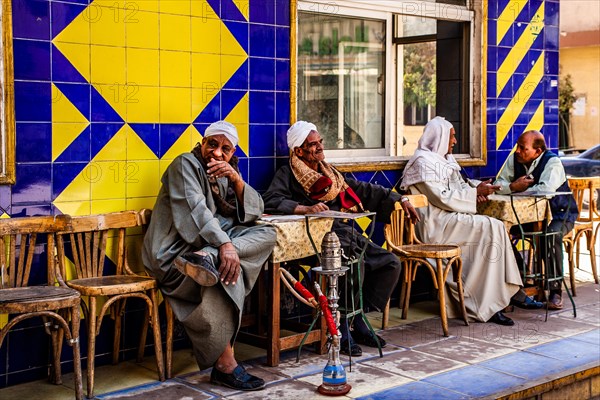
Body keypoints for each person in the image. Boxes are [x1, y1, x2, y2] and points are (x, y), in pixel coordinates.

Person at [262, 121, 419, 357]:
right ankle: (342, 327)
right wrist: (304, 209)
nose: (319, 147)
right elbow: (270, 200)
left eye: (320, 142)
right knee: (355, 264)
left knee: (389, 263)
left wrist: (402, 199)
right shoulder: (287, 174)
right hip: (315, 239)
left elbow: (363, 190)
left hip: (345, 234)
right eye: (312, 144)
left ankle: (359, 318)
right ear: (299, 151)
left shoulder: (330, 173)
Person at [142, 121, 277, 391]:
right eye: (212, 144)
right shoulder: (185, 165)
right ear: (202, 143)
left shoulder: (227, 172)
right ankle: (226, 365)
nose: (216, 153)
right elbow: (196, 213)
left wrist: (236, 180)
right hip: (172, 255)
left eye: (225, 149)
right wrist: (225, 246)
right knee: (221, 272)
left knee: (268, 234)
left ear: (233, 152)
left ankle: (209, 255)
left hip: (202, 249)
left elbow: (256, 211)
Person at [401, 116, 524, 326]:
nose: (455, 142)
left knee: (495, 226)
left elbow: (459, 187)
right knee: (490, 226)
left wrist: (478, 191)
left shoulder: (445, 160)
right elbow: (442, 197)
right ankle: (483, 302)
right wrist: (474, 193)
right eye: (452, 137)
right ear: (439, 138)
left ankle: (494, 299)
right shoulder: (422, 163)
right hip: (435, 225)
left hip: (451, 219)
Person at [495, 130, 578, 310]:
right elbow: (499, 183)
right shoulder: (514, 159)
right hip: (527, 217)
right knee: (500, 233)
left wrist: (518, 188)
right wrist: (511, 186)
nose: (517, 151)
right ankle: (522, 277)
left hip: (560, 214)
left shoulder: (552, 163)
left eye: (523, 148)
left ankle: (555, 290)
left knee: (550, 235)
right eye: (517, 146)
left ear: (537, 152)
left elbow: (545, 190)